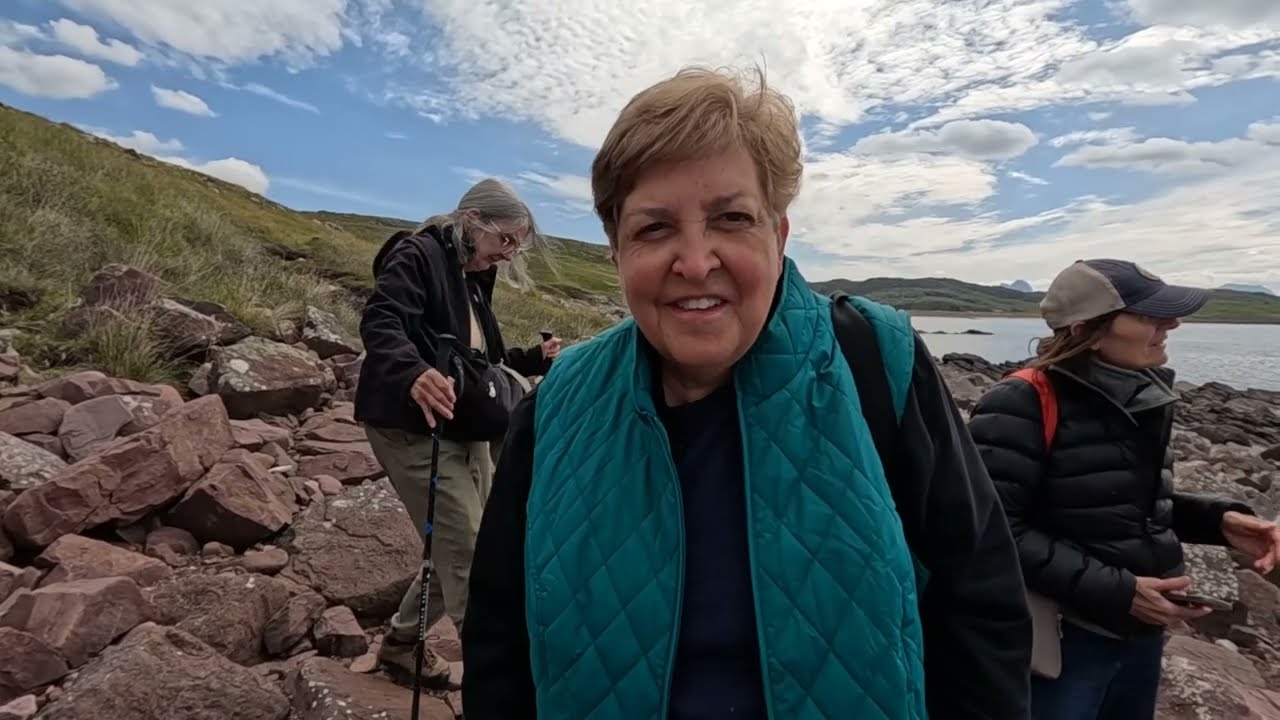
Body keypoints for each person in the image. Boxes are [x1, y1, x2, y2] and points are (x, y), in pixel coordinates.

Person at [461, 65, 1032, 719]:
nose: (697, 260)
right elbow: (499, 645)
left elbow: (981, 607)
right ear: (617, 253)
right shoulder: (557, 407)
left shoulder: (874, 362)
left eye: (731, 218)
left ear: (779, 236)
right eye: (654, 228)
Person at [967, 258, 1280, 720]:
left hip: (1139, 635)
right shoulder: (1019, 403)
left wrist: (1221, 522)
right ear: (1084, 329)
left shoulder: (1144, 395)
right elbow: (993, 529)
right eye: (1150, 315)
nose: (1172, 324)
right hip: (1062, 642)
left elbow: (1120, 502)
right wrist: (1118, 591)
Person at [353, 178, 563, 688]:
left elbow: (476, 364)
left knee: (471, 541)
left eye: (517, 246)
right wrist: (411, 373)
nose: (509, 255)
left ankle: (403, 645)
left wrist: (533, 360)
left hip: (462, 425)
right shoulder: (418, 253)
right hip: (411, 426)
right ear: (473, 220)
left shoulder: (472, 277)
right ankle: (504, 687)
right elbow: (382, 321)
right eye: (506, 241)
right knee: (469, 552)